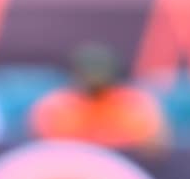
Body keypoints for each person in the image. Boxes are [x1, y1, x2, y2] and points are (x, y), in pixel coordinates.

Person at [29, 42, 168, 152]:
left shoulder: (134, 105)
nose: (95, 85)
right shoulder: (57, 106)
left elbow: (155, 147)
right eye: (89, 77)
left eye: (100, 78)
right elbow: (40, 149)